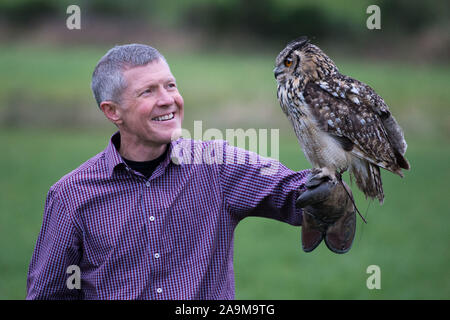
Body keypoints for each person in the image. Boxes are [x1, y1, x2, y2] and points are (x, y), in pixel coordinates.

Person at [26, 44, 356, 300]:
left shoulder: (218, 165)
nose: (167, 100)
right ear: (113, 112)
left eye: (170, 85)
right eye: (148, 91)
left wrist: (328, 192)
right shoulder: (71, 195)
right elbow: (48, 293)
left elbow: (293, 190)